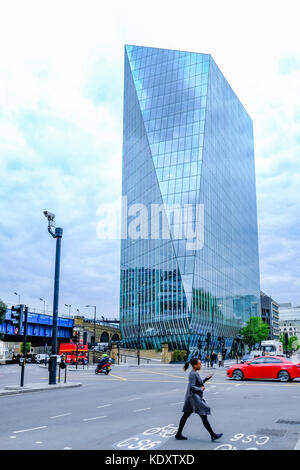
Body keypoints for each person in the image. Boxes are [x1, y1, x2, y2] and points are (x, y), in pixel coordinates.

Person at [175, 357, 223, 442]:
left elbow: (198, 383)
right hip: (193, 398)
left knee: (186, 415)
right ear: (195, 365)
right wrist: (201, 389)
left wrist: (206, 379)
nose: (201, 365)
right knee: (203, 416)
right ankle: (213, 435)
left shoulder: (194, 373)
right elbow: (192, 386)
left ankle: (178, 434)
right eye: (199, 364)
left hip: (191, 397)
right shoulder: (193, 374)